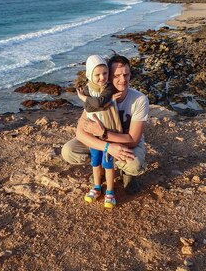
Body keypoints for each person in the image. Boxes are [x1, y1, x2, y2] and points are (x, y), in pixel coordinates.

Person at [62, 54, 149, 196]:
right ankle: (101, 167)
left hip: (126, 143)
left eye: (126, 74)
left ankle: (125, 172)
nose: (123, 80)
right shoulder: (97, 98)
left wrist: (103, 134)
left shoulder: (139, 99)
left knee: (135, 165)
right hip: (103, 143)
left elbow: (133, 139)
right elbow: (80, 133)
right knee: (69, 151)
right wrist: (108, 147)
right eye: (117, 75)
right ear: (108, 76)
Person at [76, 55, 123, 208]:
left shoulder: (108, 88)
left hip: (109, 131)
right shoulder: (88, 89)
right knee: (95, 161)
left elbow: (99, 102)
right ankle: (97, 186)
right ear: (90, 74)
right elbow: (91, 107)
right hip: (92, 134)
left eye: (104, 73)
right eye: (97, 75)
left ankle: (110, 190)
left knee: (108, 162)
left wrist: (83, 98)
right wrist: (93, 103)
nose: (102, 77)